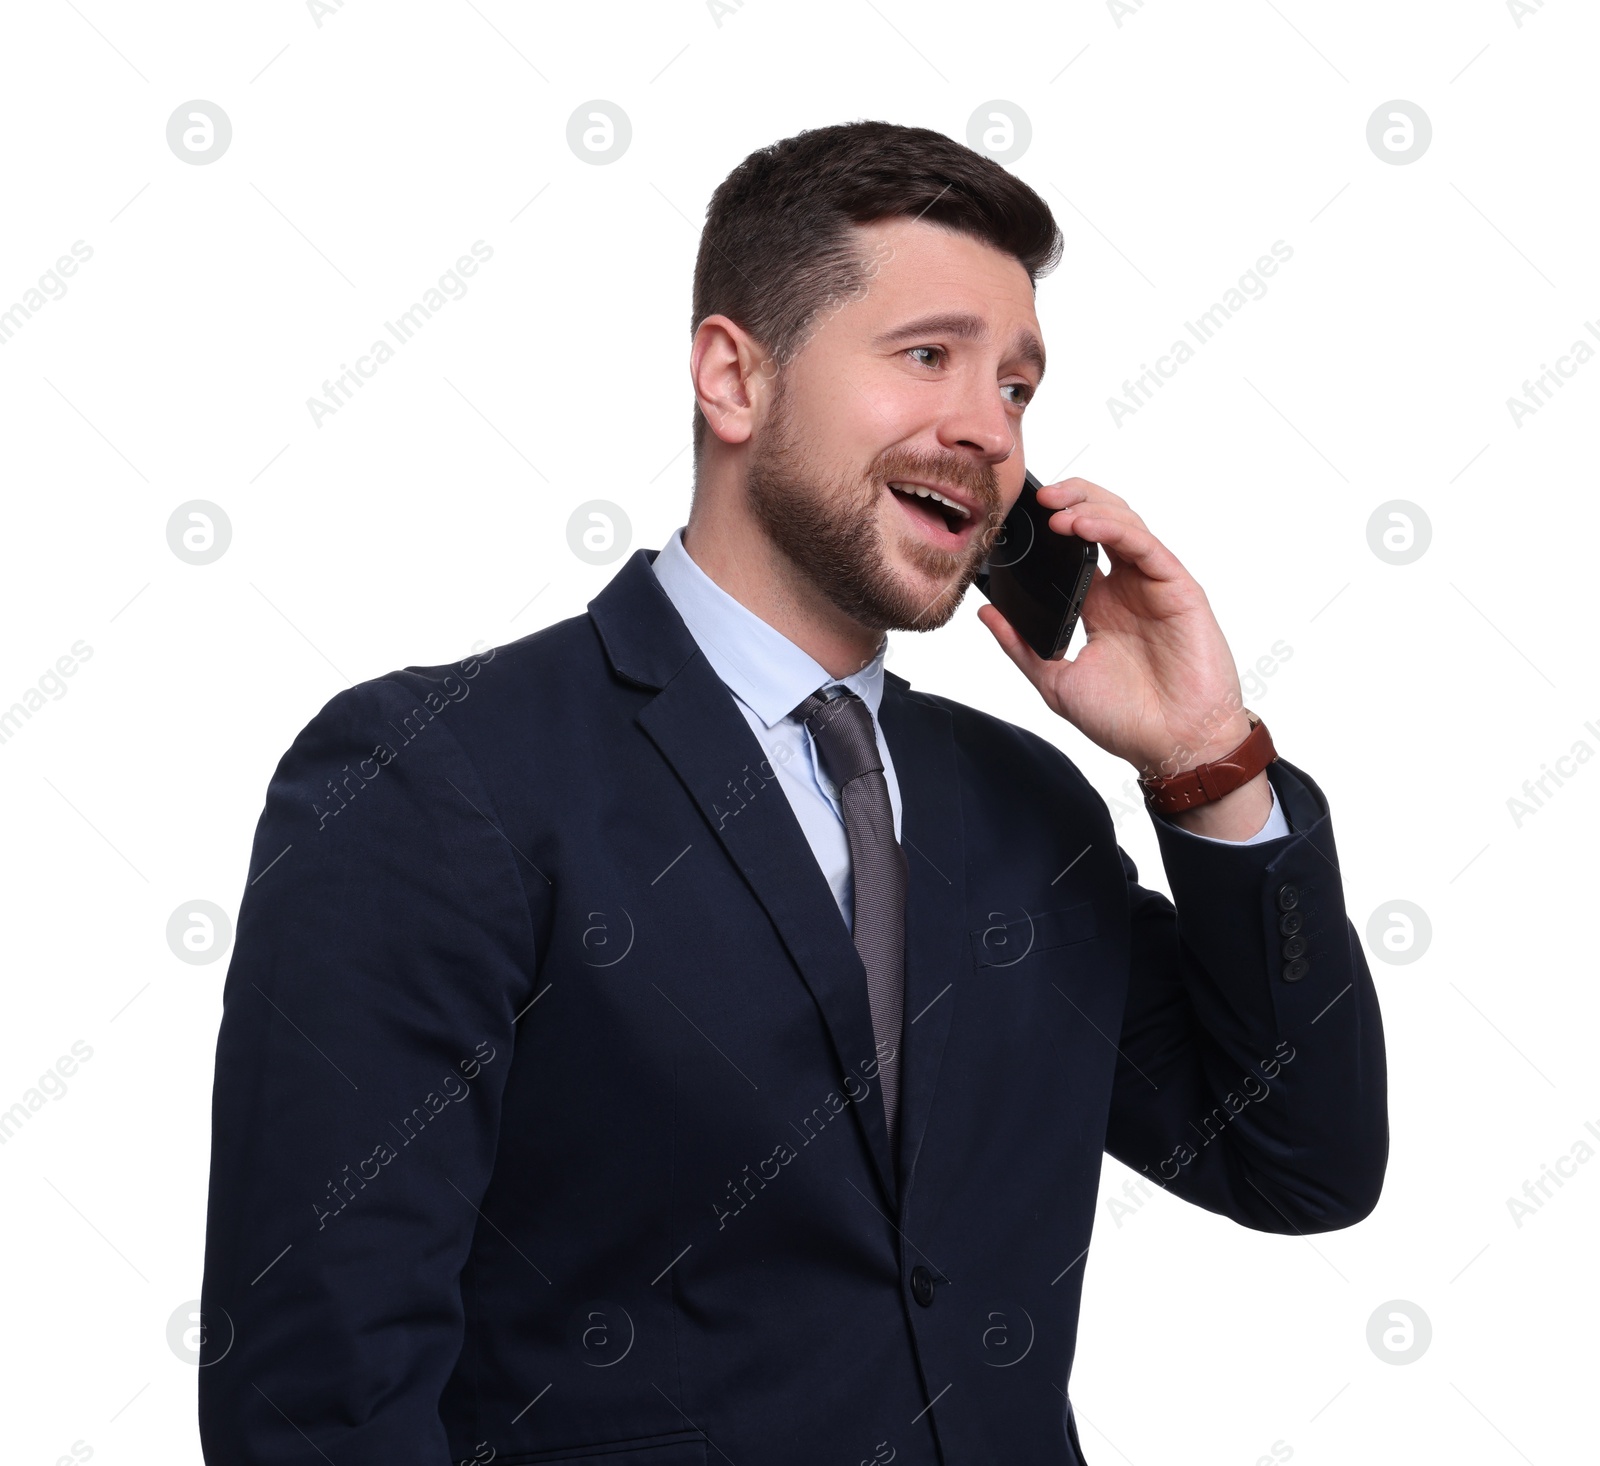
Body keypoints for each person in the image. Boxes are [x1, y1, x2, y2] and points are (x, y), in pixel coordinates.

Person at [199, 119, 1387, 1466]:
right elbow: (320, 1395)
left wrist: (1209, 765)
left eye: (1016, 388)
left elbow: (1302, 1161)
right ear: (733, 377)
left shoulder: (1029, 814)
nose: (985, 429)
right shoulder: (438, 776)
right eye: (929, 355)